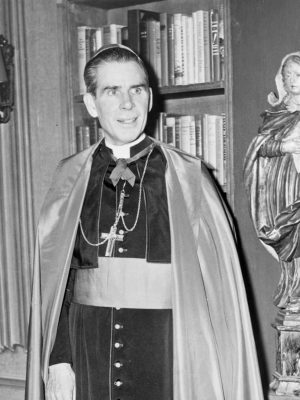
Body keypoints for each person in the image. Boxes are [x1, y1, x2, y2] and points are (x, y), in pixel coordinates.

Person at [25, 44, 263, 400]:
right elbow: (58, 284)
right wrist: (59, 361)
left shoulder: (189, 176)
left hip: (168, 351)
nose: (127, 104)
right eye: (112, 91)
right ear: (91, 104)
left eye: (136, 90)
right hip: (89, 348)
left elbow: (219, 295)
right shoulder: (70, 176)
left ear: (150, 98)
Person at [244, 52, 300, 311]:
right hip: (284, 185)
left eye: (298, 74)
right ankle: (293, 289)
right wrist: (285, 145)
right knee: (288, 234)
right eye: (288, 75)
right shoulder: (275, 116)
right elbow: (261, 146)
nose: (294, 80)